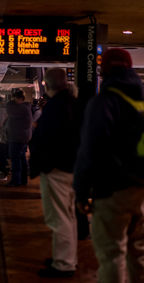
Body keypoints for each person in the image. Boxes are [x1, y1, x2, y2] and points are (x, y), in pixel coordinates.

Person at [74, 48, 144, 283]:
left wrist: (82, 191)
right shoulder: (142, 101)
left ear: (103, 71)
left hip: (114, 189)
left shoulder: (103, 102)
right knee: (140, 254)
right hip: (142, 190)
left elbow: (91, 150)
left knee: (112, 253)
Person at [29, 68, 80, 278]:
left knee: (58, 218)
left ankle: (64, 264)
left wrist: (42, 164)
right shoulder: (75, 105)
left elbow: (48, 139)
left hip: (57, 169)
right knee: (68, 216)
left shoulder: (56, 107)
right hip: (72, 168)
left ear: (48, 85)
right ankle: (68, 258)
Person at [6, 89, 32, 186]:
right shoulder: (26, 107)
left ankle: (16, 181)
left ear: (19, 98)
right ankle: (23, 180)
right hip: (23, 137)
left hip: (17, 137)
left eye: (15, 98)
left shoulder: (20, 108)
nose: (14, 100)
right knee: (22, 159)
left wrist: (10, 102)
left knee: (15, 159)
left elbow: (9, 110)